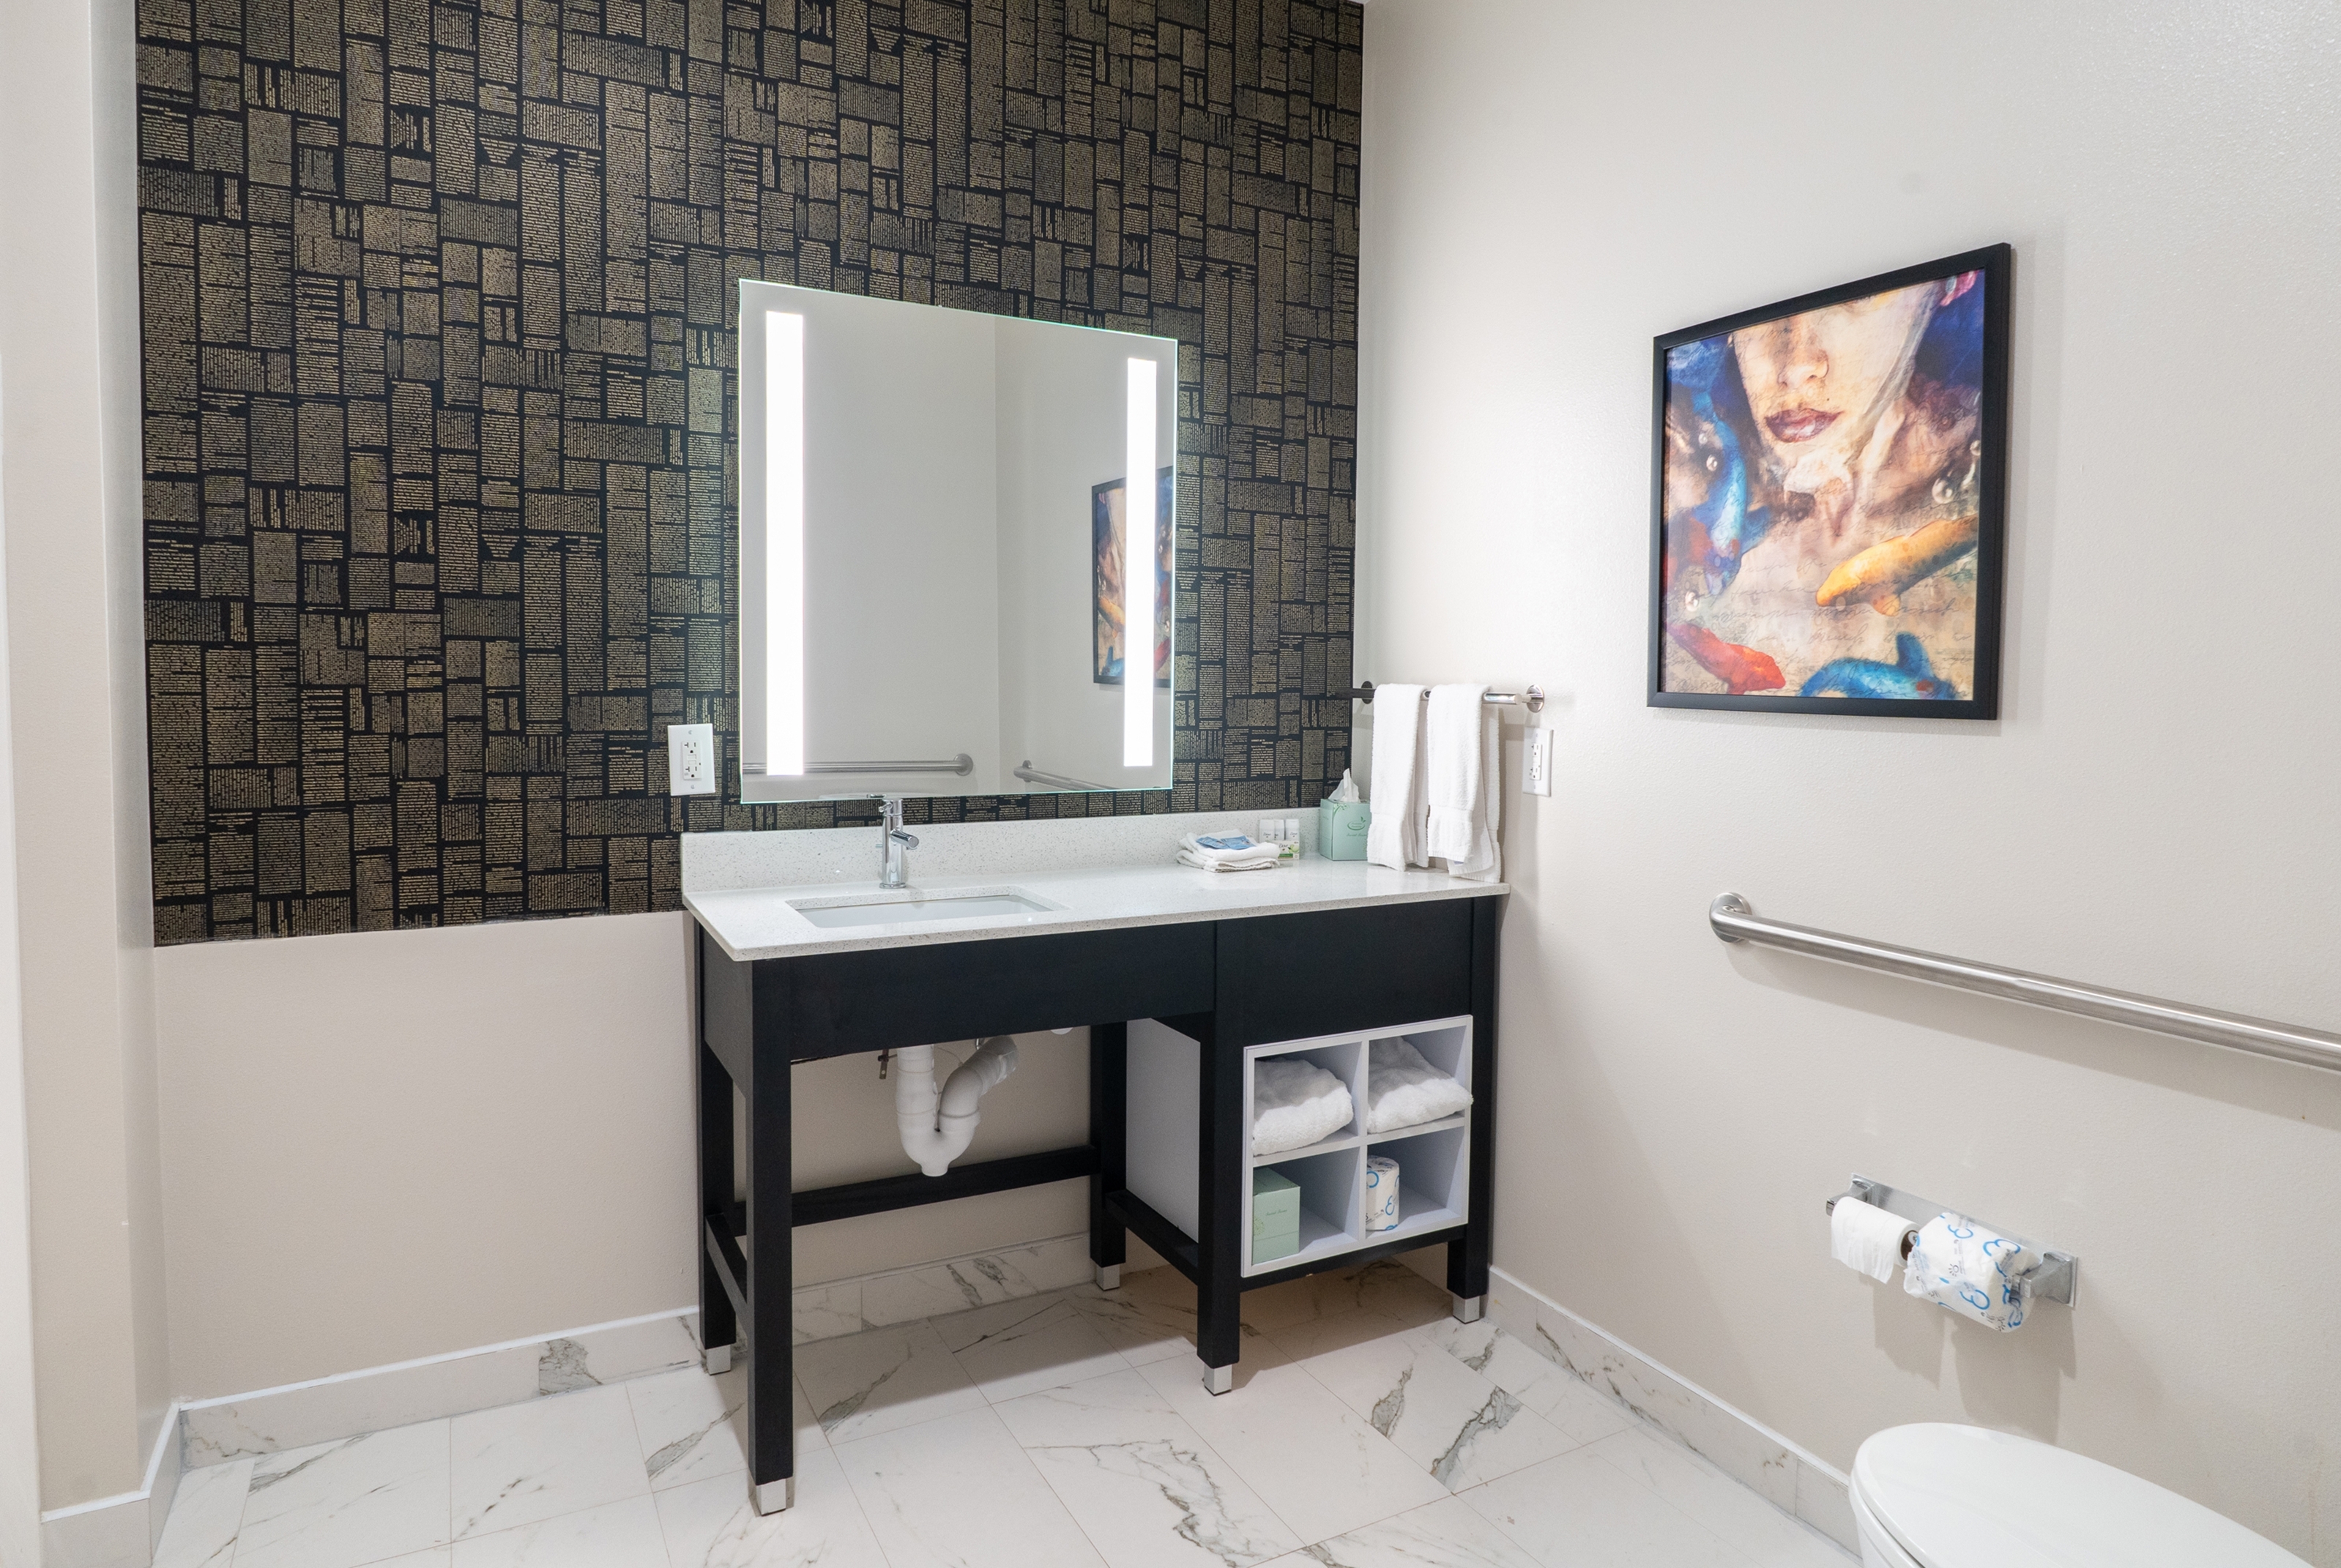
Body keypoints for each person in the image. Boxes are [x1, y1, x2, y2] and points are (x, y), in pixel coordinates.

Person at [1661, 272, 1984, 699]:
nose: (1795, 367)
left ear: (1951, 284)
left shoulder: (1991, 470)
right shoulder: (1683, 478)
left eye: (1860, 297)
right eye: (1762, 319)